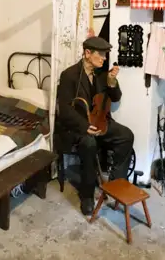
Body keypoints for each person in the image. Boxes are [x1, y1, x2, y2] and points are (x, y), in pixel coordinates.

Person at [55, 37, 134, 215]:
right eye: (102, 54)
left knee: (126, 135)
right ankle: (87, 195)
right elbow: (65, 110)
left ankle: (116, 181)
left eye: (106, 55)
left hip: (101, 122)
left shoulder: (102, 74)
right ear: (88, 53)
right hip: (79, 127)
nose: (105, 58)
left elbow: (116, 97)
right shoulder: (69, 75)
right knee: (89, 144)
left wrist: (112, 81)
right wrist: (84, 126)